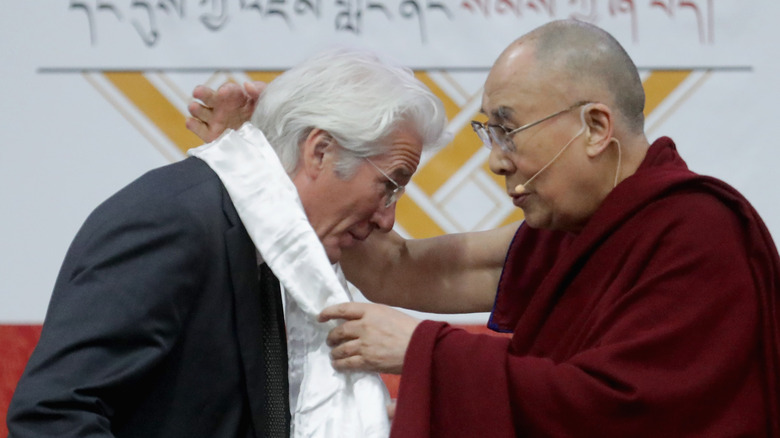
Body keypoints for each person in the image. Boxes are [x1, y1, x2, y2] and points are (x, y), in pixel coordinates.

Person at [187, 19, 780, 437]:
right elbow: (399, 268)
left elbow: (624, 412)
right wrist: (269, 159)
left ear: (596, 127)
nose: (496, 159)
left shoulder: (699, 232)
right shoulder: (566, 235)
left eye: (508, 129)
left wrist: (421, 351)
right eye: (489, 134)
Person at [6, 48, 448, 438]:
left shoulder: (279, 250)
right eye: (389, 185)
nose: (388, 219)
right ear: (320, 151)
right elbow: (53, 414)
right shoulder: (172, 221)